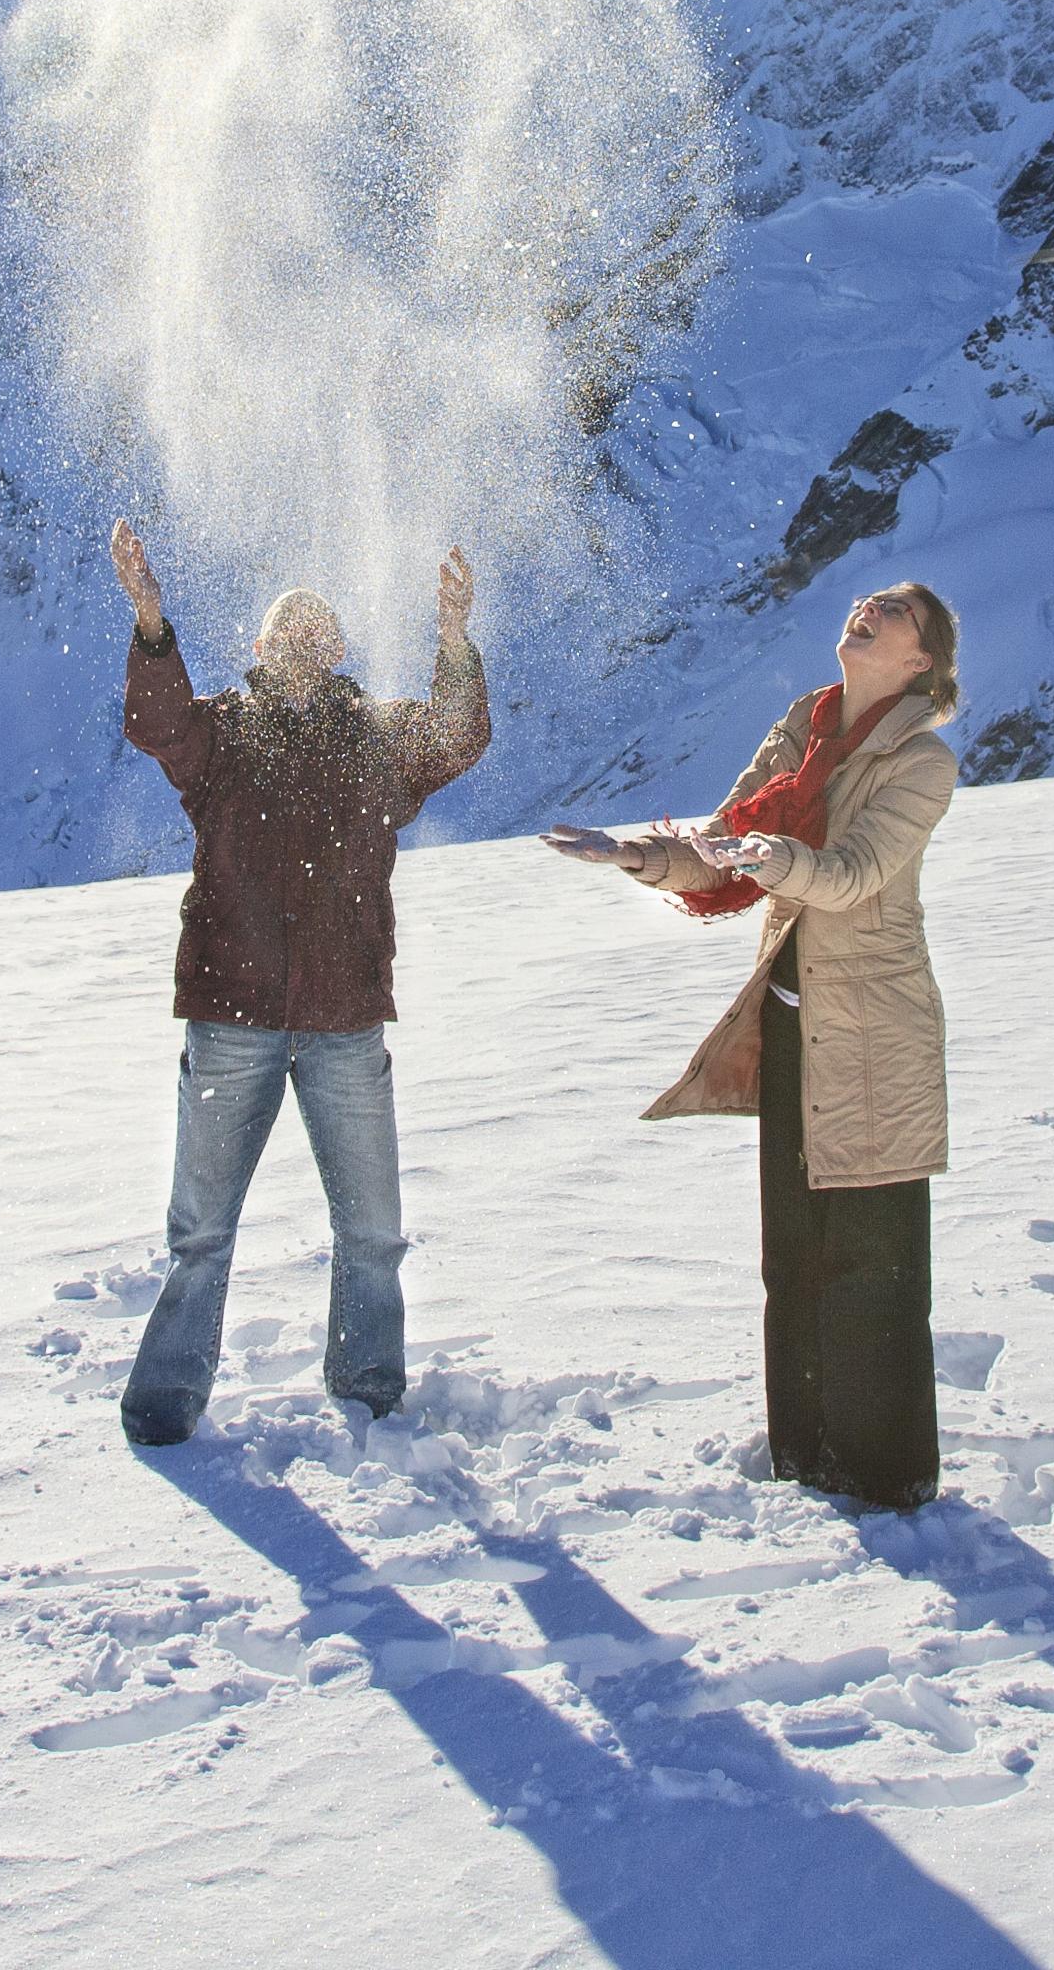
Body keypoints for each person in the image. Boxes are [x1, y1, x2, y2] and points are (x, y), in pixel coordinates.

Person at [550, 582, 963, 1511]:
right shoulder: (804, 727)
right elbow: (723, 843)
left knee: (874, 1258)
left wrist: (772, 861)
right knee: (795, 1254)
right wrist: (631, 855)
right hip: (789, 1018)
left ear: (923, 662)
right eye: (871, 600)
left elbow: (852, 879)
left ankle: (888, 1478)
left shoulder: (922, 762)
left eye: (897, 612)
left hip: (872, 1033)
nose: (869, 607)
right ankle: (807, 1461)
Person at [111, 519, 490, 1446]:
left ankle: (367, 1387)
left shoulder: (376, 736)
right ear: (258, 648)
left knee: (372, 1228)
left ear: (340, 651)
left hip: (345, 1019)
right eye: (286, 629)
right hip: (231, 1018)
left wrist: (451, 640)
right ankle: (166, 1399)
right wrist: (152, 625)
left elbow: (459, 738)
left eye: (318, 629)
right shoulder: (220, 733)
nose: (302, 640)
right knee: (200, 1230)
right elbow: (153, 724)